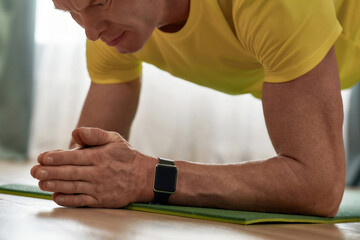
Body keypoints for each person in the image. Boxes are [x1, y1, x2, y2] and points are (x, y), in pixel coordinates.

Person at [30, 0, 360, 217]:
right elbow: (91, 170)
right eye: (68, 9)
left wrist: (150, 176)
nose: (89, 30)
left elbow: (320, 185)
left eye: (100, 1)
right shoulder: (111, 31)